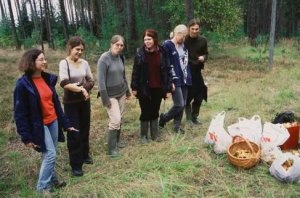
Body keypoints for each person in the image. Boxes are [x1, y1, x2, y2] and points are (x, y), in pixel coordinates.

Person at [14, 48, 76, 192]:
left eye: (45, 59)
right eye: (41, 59)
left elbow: (56, 104)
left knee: (51, 152)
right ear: (31, 62)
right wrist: (26, 137)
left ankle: (52, 181)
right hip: (39, 124)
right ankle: (42, 189)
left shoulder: (47, 79)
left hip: (53, 120)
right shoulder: (23, 84)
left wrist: (65, 124)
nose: (45, 62)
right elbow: (20, 113)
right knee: (50, 154)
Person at [59, 36, 94, 176]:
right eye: (77, 49)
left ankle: (85, 155)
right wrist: (82, 89)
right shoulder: (64, 63)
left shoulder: (84, 63)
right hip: (70, 104)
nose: (79, 52)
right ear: (70, 48)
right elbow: (64, 83)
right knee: (74, 132)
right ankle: (75, 165)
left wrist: (83, 87)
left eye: (81, 50)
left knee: (85, 128)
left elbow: (91, 80)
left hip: (84, 102)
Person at [131, 29, 173, 144]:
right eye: (145, 39)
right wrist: (134, 87)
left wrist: (168, 88)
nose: (147, 42)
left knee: (155, 110)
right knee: (145, 111)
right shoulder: (140, 53)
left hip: (158, 87)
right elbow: (135, 71)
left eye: (149, 39)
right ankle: (143, 136)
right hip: (143, 87)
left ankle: (155, 135)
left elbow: (167, 70)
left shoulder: (163, 52)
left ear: (154, 39)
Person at [97, 35, 131, 157]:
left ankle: (116, 142)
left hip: (121, 92)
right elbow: (100, 81)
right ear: (111, 44)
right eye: (117, 45)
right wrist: (105, 99)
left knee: (120, 118)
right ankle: (111, 149)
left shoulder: (121, 57)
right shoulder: (104, 59)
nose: (119, 47)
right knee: (115, 120)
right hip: (110, 95)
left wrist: (127, 91)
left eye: (121, 45)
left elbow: (123, 75)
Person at [159, 24, 191, 133]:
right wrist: (169, 81)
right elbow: (164, 65)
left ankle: (177, 127)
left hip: (185, 78)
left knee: (184, 103)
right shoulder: (167, 45)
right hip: (174, 79)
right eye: (184, 36)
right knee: (179, 104)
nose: (184, 38)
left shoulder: (183, 46)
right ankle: (164, 118)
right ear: (178, 34)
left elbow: (185, 62)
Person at [184, 19, 208, 124]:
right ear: (189, 29)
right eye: (192, 29)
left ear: (199, 29)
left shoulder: (203, 40)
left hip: (197, 72)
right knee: (187, 97)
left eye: (197, 29)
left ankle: (195, 117)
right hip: (187, 73)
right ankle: (189, 119)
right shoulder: (184, 39)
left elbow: (206, 53)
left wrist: (204, 57)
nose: (194, 31)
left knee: (200, 95)